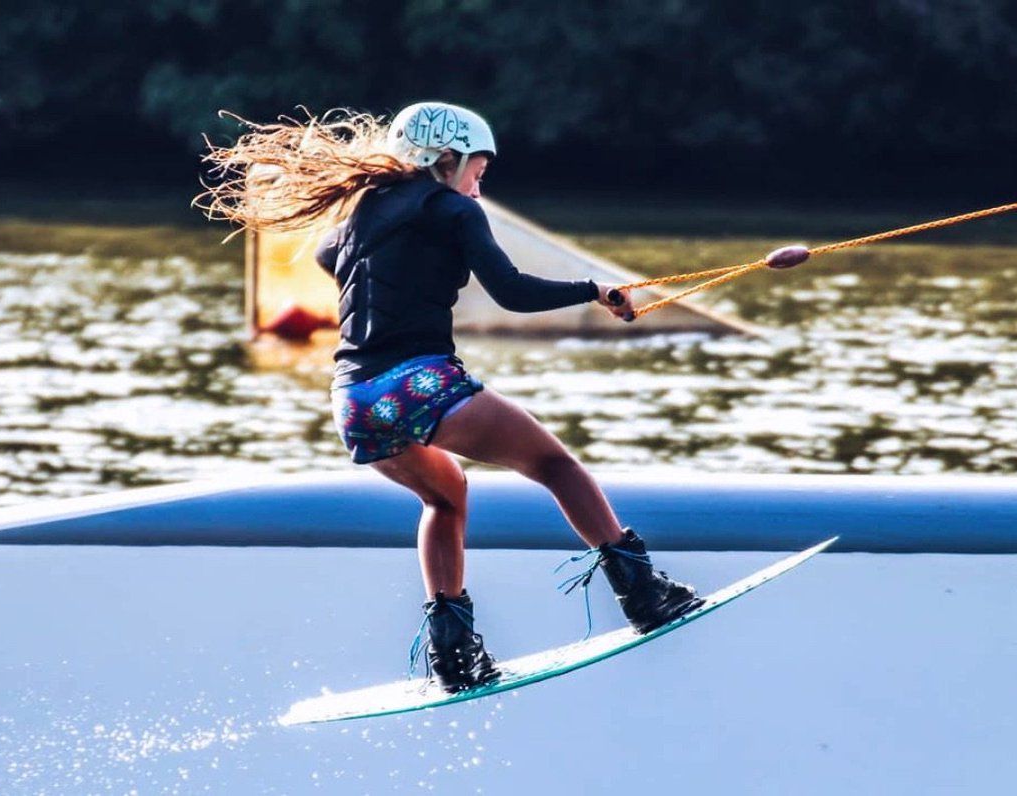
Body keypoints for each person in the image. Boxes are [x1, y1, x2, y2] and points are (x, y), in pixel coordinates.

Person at [200, 101, 702, 693]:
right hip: (416, 384)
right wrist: (594, 290)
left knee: (446, 495)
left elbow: (327, 255)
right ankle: (644, 595)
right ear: (446, 159)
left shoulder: (353, 222)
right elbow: (512, 292)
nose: (479, 190)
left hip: (355, 402)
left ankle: (454, 658)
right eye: (478, 174)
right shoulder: (450, 210)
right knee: (554, 464)